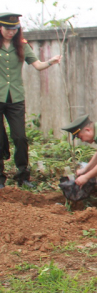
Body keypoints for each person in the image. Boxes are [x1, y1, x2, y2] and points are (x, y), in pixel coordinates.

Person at [0, 12, 62, 189]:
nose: (11, 32)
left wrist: (50, 61)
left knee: (20, 137)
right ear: (0, 28)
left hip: (15, 98)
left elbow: (38, 66)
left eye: (14, 29)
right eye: (8, 29)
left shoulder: (21, 46)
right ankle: (0, 178)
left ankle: (23, 175)